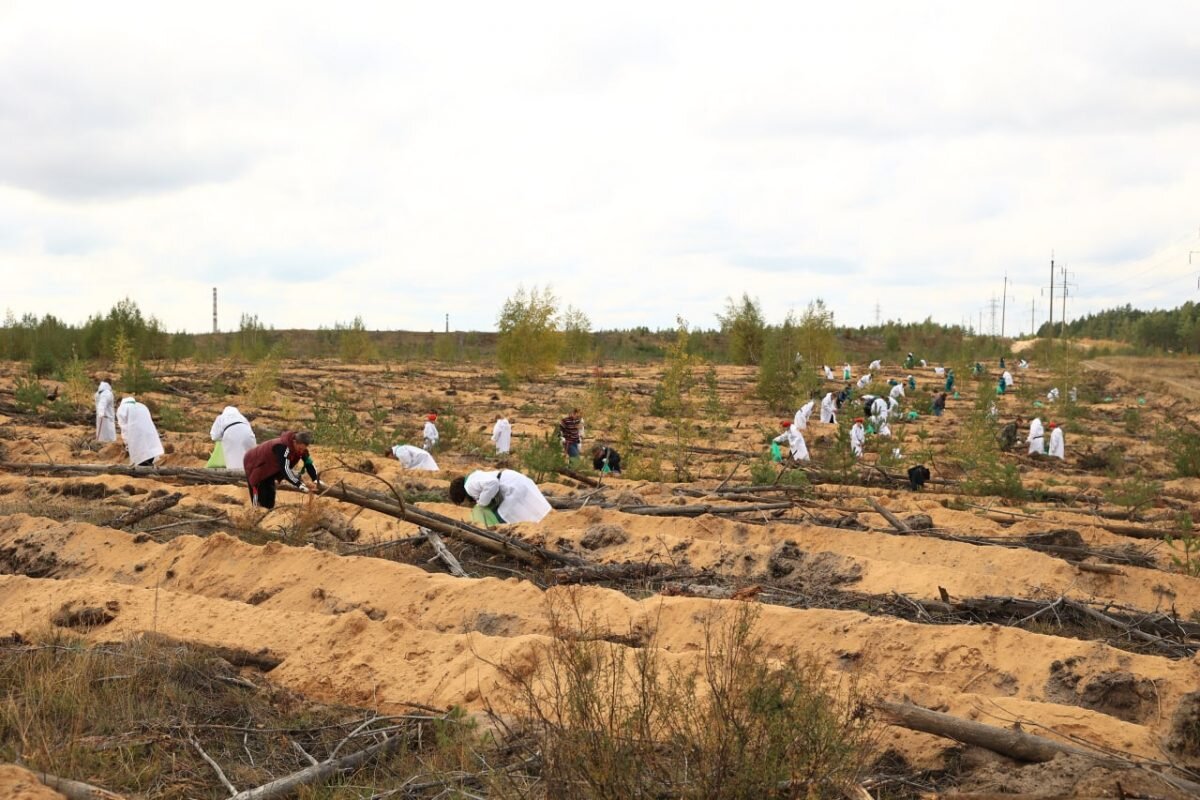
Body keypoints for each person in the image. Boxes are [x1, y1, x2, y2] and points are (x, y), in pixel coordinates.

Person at [242, 431, 321, 509]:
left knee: (269, 500)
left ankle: (267, 512)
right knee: (259, 500)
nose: (301, 451)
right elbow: (285, 469)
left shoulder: (301, 449)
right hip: (254, 464)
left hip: (270, 468)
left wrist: (315, 479)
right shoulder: (283, 448)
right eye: (300, 448)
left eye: (303, 449)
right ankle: (255, 514)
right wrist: (298, 484)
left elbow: (308, 463)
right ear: (294, 442)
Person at [449, 468, 552, 525]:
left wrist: (481, 503)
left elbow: (492, 483)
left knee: (502, 516)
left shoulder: (469, 486)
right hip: (514, 481)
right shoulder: (473, 478)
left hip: (510, 487)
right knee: (533, 510)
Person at [116, 397, 164, 467]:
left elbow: (124, 427)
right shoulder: (142, 406)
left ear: (119, 403)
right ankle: (148, 466)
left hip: (135, 434)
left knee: (139, 455)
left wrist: (126, 442)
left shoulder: (122, 408)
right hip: (150, 432)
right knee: (149, 451)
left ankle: (142, 469)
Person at [209, 406, 257, 471]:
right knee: (251, 454)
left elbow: (214, 436)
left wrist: (222, 438)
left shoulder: (221, 417)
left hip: (230, 433)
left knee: (233, 458)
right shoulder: (242, 418)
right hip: (248, 433)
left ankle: (237, 476)